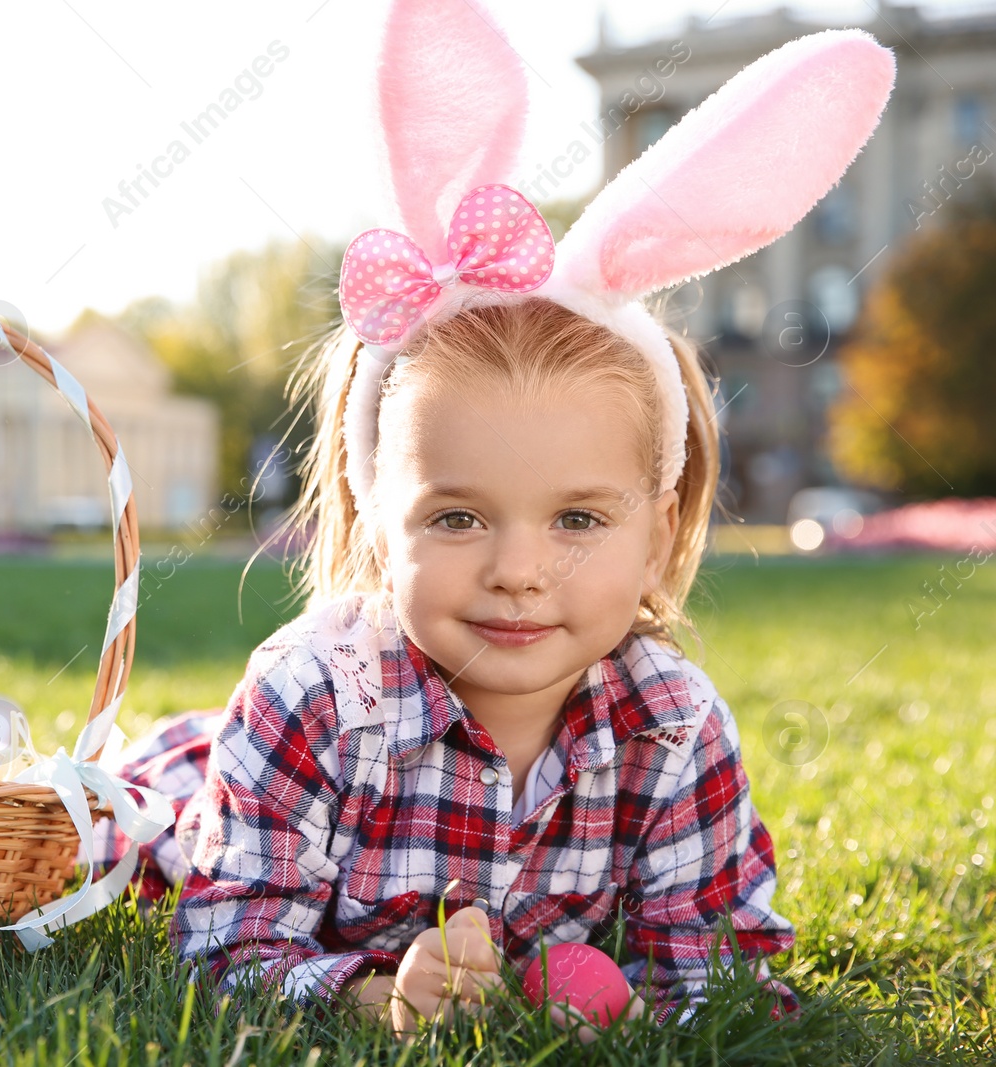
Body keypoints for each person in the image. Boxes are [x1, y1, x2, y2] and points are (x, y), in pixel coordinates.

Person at [92, 0, 895, 1037]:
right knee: (103, 816)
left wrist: (639, 1014)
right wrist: (365, 992)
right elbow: (226, 938)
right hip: (202, 791)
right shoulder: (313, 704)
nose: (520, 569)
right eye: (459, 517)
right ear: (379, 518)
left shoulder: (671, 728)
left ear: (658, 529)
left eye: (576, 520)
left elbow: (719, 966)